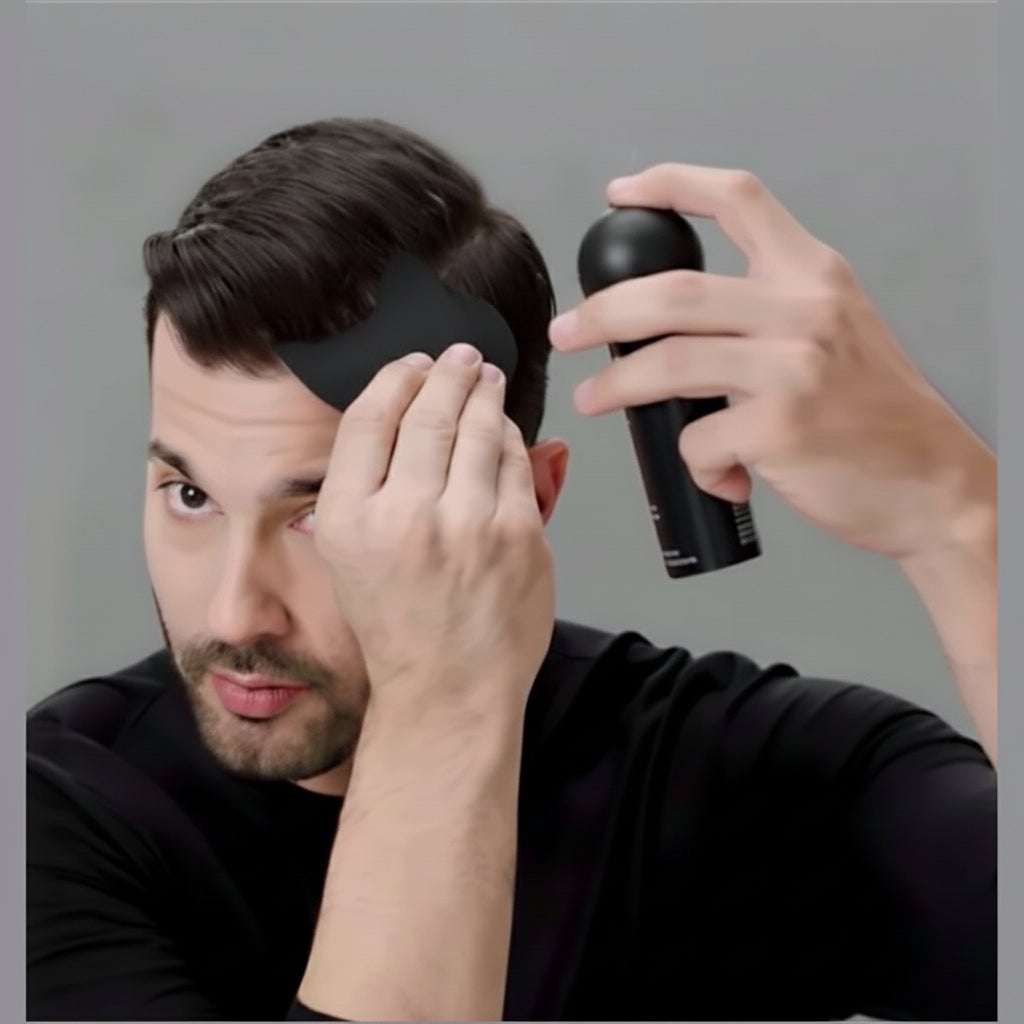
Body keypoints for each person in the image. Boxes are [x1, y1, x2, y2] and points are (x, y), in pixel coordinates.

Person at [26, 118, 997, 1023]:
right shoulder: (54, 818)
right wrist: (443, 699)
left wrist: (966, 523)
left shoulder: (737, 772)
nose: (236, 608)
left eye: (324, 509)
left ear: (522, 499)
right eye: (189, 495)